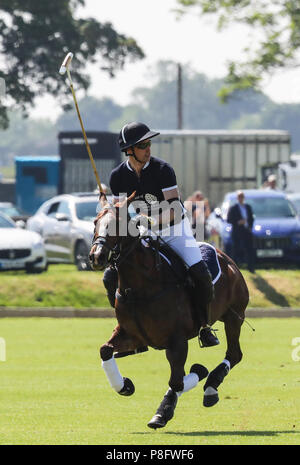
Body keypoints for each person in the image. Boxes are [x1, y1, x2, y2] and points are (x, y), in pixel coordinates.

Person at [96, 121, 219, 348]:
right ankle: (128, 327)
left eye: (149, 143)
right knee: (110, 277)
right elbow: (120, 213)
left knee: (200, 273)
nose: (148, 148)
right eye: (143, 145)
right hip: (145, 231)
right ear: (129, 150)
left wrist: (148, 220)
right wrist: (110, 215)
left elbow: (173, 208)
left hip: (175, 229)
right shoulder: (118, 176)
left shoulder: (163, 170)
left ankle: (204, 326)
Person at [227, 190, 255, 273]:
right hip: (237, 232)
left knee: (249, 249)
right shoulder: (233, 208)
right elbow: (229, 219)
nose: (241, 198)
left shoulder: (248, 207)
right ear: (237, 198)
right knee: (236, 250)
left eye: (242, 197)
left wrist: (250, 226)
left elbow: (251, 218)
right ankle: (235, 268)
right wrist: (238, 222)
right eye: (239, 197)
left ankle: (251, 267)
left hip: (247, 231)